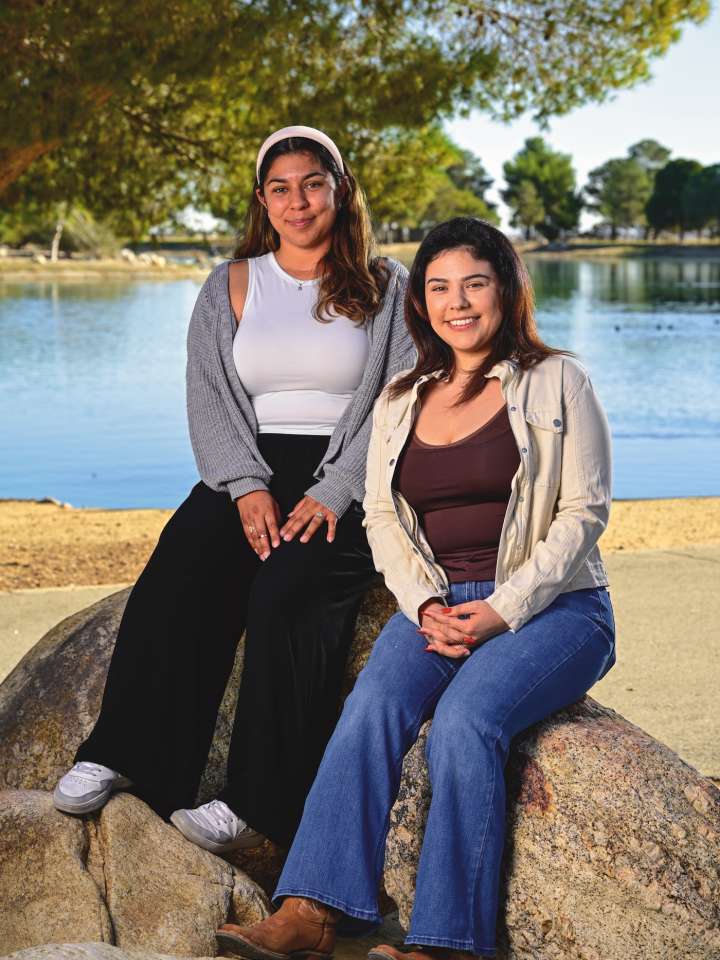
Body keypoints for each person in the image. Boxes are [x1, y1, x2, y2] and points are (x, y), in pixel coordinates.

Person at [215, 217, 615, 958]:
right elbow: (379, 515)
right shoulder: (401, 396)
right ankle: (313, 910)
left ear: (506, 290)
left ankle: (446, 943)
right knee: (370, 709)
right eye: (438, 288)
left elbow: (584, 513)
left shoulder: (559, 380)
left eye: (474, 284)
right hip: (436, 602)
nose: (456, 303)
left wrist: (500, 610)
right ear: (421, 303)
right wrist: (425, 604)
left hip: (557, 608)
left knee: (466, 721)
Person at [52, 125, 414, 853]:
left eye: (312, 184)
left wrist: (338, 487)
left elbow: (403, 397)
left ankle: (255, 804)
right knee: (180, 566)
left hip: (353, 474)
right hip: (246, 465)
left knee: (287, 592)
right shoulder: (231, 283)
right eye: (280, 189)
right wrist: (246, 485)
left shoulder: (388, 284)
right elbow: (209, 395)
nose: (297, 202)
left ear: (340, 190)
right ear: (261, 199)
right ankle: (128, 756)